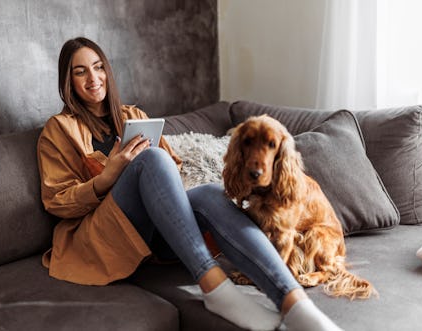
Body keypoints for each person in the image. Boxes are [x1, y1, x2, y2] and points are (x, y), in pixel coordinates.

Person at [37, 36, 343, 331]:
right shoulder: (58, 130)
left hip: (156, 232)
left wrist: (164, 187)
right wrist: (108, 176)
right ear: (69, 82)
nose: (94, 77)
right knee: (152, 159)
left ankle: (294, 302)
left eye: (98, 66)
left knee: (210, 192)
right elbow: (56, 200)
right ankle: (214, 288)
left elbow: (173, 169)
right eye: (81, 71)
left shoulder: (133, 115)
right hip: (103, 237)